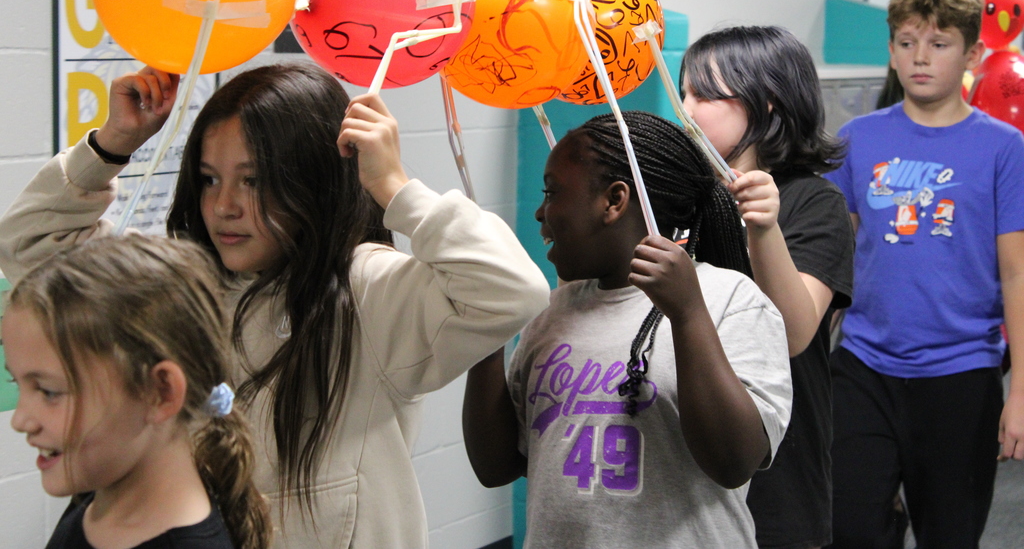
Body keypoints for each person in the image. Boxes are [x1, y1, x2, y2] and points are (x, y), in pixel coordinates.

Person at [0, 61, 551, 548]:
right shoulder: (183, 284)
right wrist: (110, 146)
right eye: (211, 180)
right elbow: (28, 250)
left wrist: (393, 185)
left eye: (255, 181)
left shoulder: (366, 288)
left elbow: (511, 289)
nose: (224, 206)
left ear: (312, 179)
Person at [462, 111, 792, 548]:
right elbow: (496, 467)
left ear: (613, 202)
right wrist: (485, 334)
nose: (541, 212)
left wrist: (688, 314)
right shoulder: (552, 312)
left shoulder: (731, 300)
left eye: (552, 192)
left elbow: (734, 463)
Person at [825, 0, 1024, 548]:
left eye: (939, 44)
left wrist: (1021, 394)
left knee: (951, 537)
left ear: (972, 53)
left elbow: (1016, 272)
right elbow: (835, 260)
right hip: (864, 364)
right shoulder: (858, 139)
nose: (920, 58)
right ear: (890, 51)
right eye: (907, 43)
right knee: (849, 530)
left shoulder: (1003, 149)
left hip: (961, 373)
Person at [681, 25, 855, 549]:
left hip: (777, 478)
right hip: (686, 470)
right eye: (684, 91)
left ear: (768, 105)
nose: (686, 107)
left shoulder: (813, 203)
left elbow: (796, 332)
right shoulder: (682, 198)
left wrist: (764, 228)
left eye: (705, 95)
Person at [3, 234, 270, 549]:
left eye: (49, 392)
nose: (20, 421)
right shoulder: (96, 494)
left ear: (161, 392)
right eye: (18, 385)